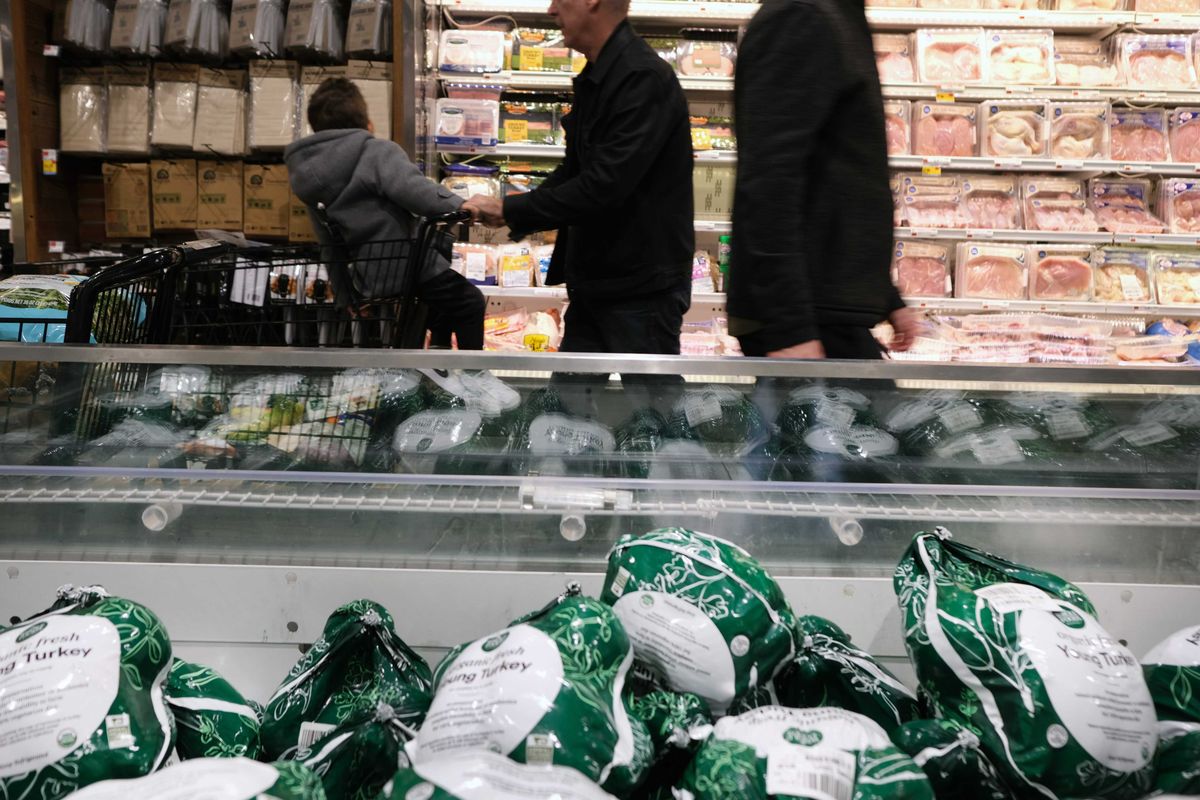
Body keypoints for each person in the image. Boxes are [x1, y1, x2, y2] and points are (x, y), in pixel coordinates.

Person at [466, 0, 694, 358]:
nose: (551, 10)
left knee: (654, 403)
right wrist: (510, 210)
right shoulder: (601, 75)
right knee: (572, 402)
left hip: (638, 286)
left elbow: (604, 185)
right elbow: (576, 171)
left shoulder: (640, 77)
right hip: (601, 280)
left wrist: (511, 208)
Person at [727, 0, 920, 360]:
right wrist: (789, 328)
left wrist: (885, 296)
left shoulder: (837, 15)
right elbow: (771, 180)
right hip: (807, 320)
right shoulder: (801, 16)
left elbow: (840, 174)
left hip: (823, 311)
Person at [286, 78, 486, 349]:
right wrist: (459, 205)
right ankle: (475, 379)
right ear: (365, 121)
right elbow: (416, 191)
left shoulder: (307, 175)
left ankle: (438, 373)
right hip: (410, 265)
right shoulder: (375, 151)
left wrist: (348, 297)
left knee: (437, 315)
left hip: (370, 277)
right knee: (469, 303)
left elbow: (329, 245)